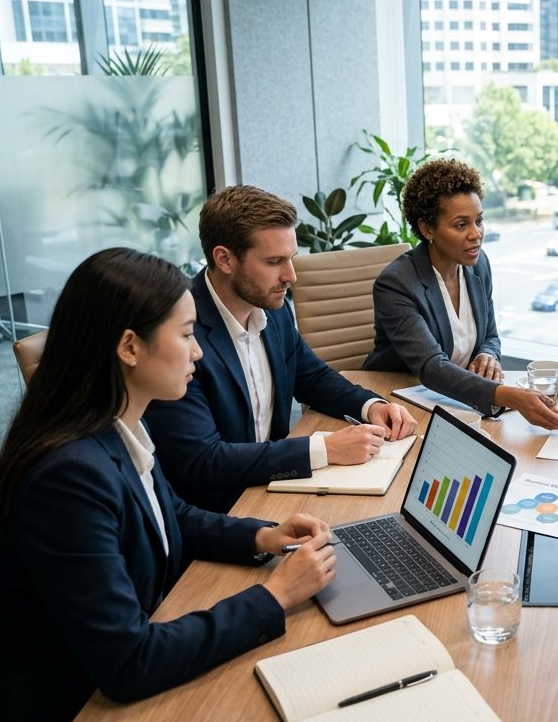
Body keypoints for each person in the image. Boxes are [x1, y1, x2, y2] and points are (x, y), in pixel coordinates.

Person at [0, 248, 338, 722]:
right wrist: (275, 596)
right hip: (67, 721)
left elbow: (170, 514)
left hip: (109, 673)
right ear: (129, 347)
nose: (199, 351)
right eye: (186, 335)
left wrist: (264, 536)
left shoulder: (116, 423)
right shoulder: (68, 477)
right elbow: (129, 662)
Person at [144, 186, 417, 513]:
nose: (291, 276)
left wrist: (370, 406)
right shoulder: (180, 335)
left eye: (291, 259)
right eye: (275, 262)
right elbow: (204, 461)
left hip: (276, 488)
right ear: (224, 258)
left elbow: (312, 378)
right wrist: (324, 449)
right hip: (219, 511)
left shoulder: (272, 309)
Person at [364, 158, 558, 432]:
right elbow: (431, 366)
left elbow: (491, 335)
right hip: (399, 405)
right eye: (461, 225)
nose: (477, 234)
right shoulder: (397, 283)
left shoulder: (477, 263)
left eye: (479, 220)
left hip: (456, 402)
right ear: (427, 229)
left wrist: (488, 354)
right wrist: (509, 397)